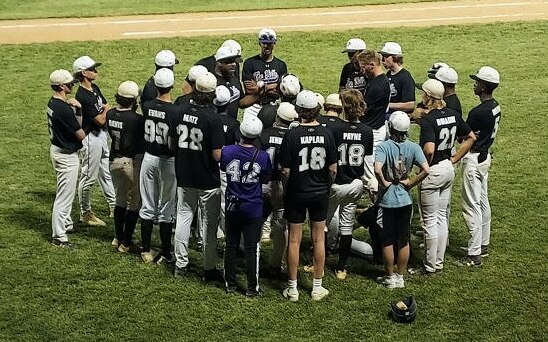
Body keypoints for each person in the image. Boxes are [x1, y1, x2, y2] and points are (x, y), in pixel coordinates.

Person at [279, 90, 338, 301]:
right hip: (320, 191)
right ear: (317, 110)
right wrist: (325, 185)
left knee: (294, 240)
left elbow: (285, 170)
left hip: (297, 190)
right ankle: (317, 287)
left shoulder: (292, 134)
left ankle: (293, 288)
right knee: (318, 237)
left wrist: (288, 188)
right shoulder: (327, 133)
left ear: (299, 110)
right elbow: (333, 168)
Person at [416, 79, 475, 274]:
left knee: (429, 221)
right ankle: (438, 263)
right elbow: (471, 137)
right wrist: (455, 158)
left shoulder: (428, 120)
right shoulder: (452, 114)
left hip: (433, 171)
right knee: (441, 218)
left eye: (424, 93)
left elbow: (429, 149)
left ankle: (431, 265)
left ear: (429, 97)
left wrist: (422, 167)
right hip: (448, 168)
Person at [172, 72, 225, 281]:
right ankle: (208, 268)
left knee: (184, 218)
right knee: (209, 225)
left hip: (184, 172)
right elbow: (217, 155)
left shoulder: (179, 110)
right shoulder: (213, 118)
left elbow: (172, 141)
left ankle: (180, 264)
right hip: (207, 178)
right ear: (212, 94)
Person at [374, 111, 430, 288]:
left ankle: (389, 277)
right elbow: (426, 170)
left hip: (389, 199)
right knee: (403, 239)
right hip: (405, 199)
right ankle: (400, 276)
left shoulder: (384, 147)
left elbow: (377, 169)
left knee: (388, 239)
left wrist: (384, 183)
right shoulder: (413, 147)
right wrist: (411, 183)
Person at [221, 115, 272, 297]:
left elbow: (223, 168)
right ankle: (252, 288)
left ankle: (231, 284)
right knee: (252, 248)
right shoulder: (263, 156)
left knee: (231, 245)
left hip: (232, 204)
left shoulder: (227, 151)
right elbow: (265, 177)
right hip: (253, 206)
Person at [325, 89, 373, 280]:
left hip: (335, 184)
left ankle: (317, 260)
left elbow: (331, 163)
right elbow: (367, 161)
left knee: (322, 225)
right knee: (346, 227)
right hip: (355, 183)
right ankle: (342, 267)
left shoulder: (335, 129)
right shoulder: (367, 131)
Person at [458, 66, 501, 267]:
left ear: (483, 87)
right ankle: (482, 243)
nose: (474, 84)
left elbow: (464, 137)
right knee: (483, 202)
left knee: (471, 206)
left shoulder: (478, 112)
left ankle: (474, 254)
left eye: (477, 82)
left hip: (474, 158)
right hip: (485, 157)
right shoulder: (495, 106)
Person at [139, 68, 178, 264]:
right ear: (172, 84)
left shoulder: (146, 105)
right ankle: (166, 253)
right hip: (167, 161)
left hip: (149, 157)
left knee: (147, 205)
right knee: (167, 208)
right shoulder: (175, 111)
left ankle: (145, 250)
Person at [73, 55, 115, 226]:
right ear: (83, 73)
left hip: (101, 136)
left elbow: (106, 107)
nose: (96, 71)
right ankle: (85, 212)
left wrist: (104, 110)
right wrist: (105, 111)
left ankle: (114, 205)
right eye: (92, 69)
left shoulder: (94, 88)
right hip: (91, 139)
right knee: (88, 177)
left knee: (106, 172)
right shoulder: (83, 95)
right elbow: (101, 119)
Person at [47, 69, 85, 248]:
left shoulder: (54, 103)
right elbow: (81, 134)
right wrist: (80, 112)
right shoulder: (63, 109)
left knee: (66, 193)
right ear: (61, 86)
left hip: (58, 149)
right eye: (69, 83)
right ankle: (59, 236)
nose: (72, 85)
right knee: (64, 196)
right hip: (66, 156)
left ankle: (66, 224)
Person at [106, 81, 145, 252]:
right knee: (134, 203)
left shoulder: (110, 114)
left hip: (113, 161)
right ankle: (126, 242)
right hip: (130, 163)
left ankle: (118, 236)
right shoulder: (137, 120)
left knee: (120, 200)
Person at [259, 102, 298, 275]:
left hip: (264, 184)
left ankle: (253, 257)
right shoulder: (293, 136)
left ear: (277, 117)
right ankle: (276, 263)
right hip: (284, 185)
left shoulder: (265, 133)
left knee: (257, 223)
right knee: (281, 227)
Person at [354, 50, 391, 196]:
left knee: (370, 175)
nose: (362, 71)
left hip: (374, 132)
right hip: (376, 127)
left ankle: (378, 209)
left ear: (372, 65)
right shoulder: (379, 81)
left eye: (363, 67)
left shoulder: (378, 85)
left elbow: (363, 109)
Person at [242, 28, 288, 117]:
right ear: (260, 43)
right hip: (253, 106)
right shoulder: (250, 63)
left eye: (270, 43)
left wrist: (262, 88)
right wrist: (272, 86)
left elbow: (281, 90)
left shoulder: (281, 65)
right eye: (264, 43)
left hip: (273, 106)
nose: (267, 46)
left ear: (274, 43)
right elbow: (249, 89)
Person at [379, 42, 415, 117]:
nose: (383, 60)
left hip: (398, 118)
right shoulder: (388, 74)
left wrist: (388, 105)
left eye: (385, 56)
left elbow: (410, 105)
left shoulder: (405, 77)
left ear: (395, 57)